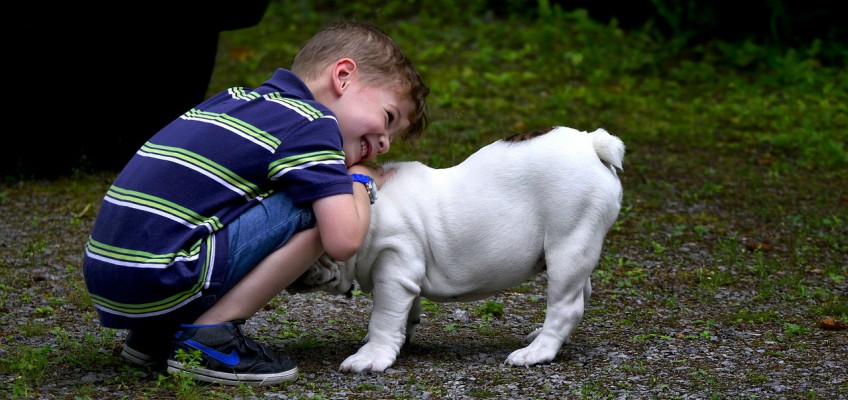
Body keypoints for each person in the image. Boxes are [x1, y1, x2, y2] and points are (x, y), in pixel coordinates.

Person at [82, 20, 429, 386]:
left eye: (392, 137)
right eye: (388, 118)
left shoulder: (233, 101)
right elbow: (343, 240)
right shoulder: (313, 124)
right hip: (163, 275)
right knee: (317, 202)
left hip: (112, 277)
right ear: (342, 76)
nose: (386, 144)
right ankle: (210, 337)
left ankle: (156, 335)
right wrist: (358, 180)